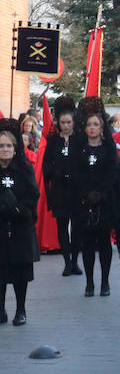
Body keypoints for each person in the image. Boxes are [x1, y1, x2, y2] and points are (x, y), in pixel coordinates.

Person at [74, 97, 120, 298]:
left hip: (105, 202)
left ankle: (105, 282)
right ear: (85, 127)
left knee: (104, 243)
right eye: (89, 124)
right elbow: (76, 173)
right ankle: (89, 283)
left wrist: (100, 193)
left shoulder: (108, 148)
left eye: (96, 124)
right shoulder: (79, 149)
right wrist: (86, 193)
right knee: (87, 244)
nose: (92, 128)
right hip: (84, 202)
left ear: (102, 127)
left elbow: (113, 172)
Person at [0, 120, 40, 326]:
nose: (5, 149)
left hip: (19, 226)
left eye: (8, 145)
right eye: (1, 146)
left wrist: (19, 209)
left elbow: (33, 194)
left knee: (19, 272)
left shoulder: (24, 169)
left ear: (15, 148)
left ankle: (21, 310)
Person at [42, 96, 82, 276]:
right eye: (63, 122)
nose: (66, 125)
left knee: (77, 228)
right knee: (62, 226)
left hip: (76, 190)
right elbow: (46, 165)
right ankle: (67, 262)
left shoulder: (80, 140)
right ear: (58, 122)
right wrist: (55, 172)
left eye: (68, 122)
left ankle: (75, 261)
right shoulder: (53, 141)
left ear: (73, 122)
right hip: (60, 189)